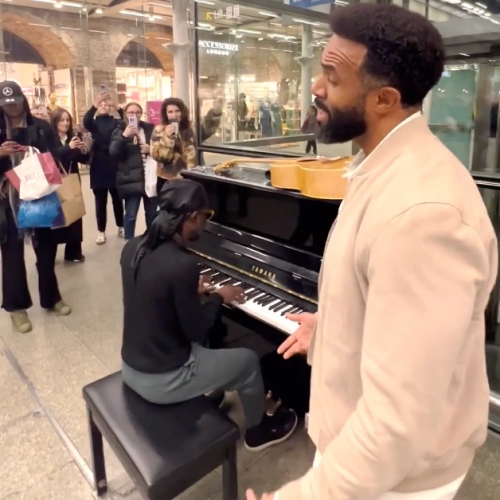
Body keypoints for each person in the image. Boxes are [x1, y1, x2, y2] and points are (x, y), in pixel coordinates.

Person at [247, 4, 498, 500]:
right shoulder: (379, 166)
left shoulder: (425, 216)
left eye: (332, 76)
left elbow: (396, 424)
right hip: (359, 451)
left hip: (395, 481)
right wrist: (338, 324)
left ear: (384, 99)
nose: (316, 86)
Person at [120, 179, 298, 452]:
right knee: (249, 361)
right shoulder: (182, 264)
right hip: (161, 379)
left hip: (131, 366)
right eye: (206, 216)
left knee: (212, 344)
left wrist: (192, 294)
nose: (206, 224)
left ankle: (209, 387)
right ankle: (257, 431)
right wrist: (218, 297)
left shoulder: (133, 247)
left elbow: (153, 301)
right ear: (191, 216)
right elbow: (196, 328)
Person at [0, 81, 72, 333]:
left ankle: (51, 297)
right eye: (6, 104)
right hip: (7, 199)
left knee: (46, 249)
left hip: (40, 195)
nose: (12, 108)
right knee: (11, 254)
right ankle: (16, 308)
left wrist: (40, 152)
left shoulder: (40, 127)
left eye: (16, 102)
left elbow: (56, 154)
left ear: (24, 100)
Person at [109, 102, 157, 240]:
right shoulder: (119, 130)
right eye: (131, 112)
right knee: (130, 215)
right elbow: (113, 153)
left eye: (137, 112)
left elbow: (159, 149)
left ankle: (151, 242)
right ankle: (129, 242)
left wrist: (151, 149)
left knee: (152, 215)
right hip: (130, 179)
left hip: (149, 177)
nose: (134, 115)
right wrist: (124, 136)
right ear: (126, 114)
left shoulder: (149, 129)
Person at [83, 91, 124, 245]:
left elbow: (127, 121)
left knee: (117, 199)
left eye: (106, 105)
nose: (103, 106)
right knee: (100, 201)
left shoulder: (116, 122)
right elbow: (86, 120)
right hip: (98, 165)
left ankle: (121, 226)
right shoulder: (93, 124)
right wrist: (93, 106)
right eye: (100, 105)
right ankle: (101, 231)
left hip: (114, 164)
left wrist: (118, 107)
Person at [51, 108, 89, 262]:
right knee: (54, 217)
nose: (65, 123)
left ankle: (73, 252)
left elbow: (83, 160)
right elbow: (51, 155)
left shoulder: (72, 137)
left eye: (68, 120)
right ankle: (49, 253)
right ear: (55, 122)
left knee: (74, 213)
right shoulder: (50, 138)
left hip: (72, 179)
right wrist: (68, 148)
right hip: (53, 181)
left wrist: (82, 149)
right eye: (62, 120)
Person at [150, 97, 196, 194]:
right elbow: (159, 157)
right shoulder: (159, 130)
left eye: (177, 111)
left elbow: (206, 129)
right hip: (169, 180)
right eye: (170, 112)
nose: (174, 115)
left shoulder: (191, 128)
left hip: (191, 177)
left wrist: (215, 112)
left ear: (182, 112)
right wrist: (167, 138)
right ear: (165, 114)